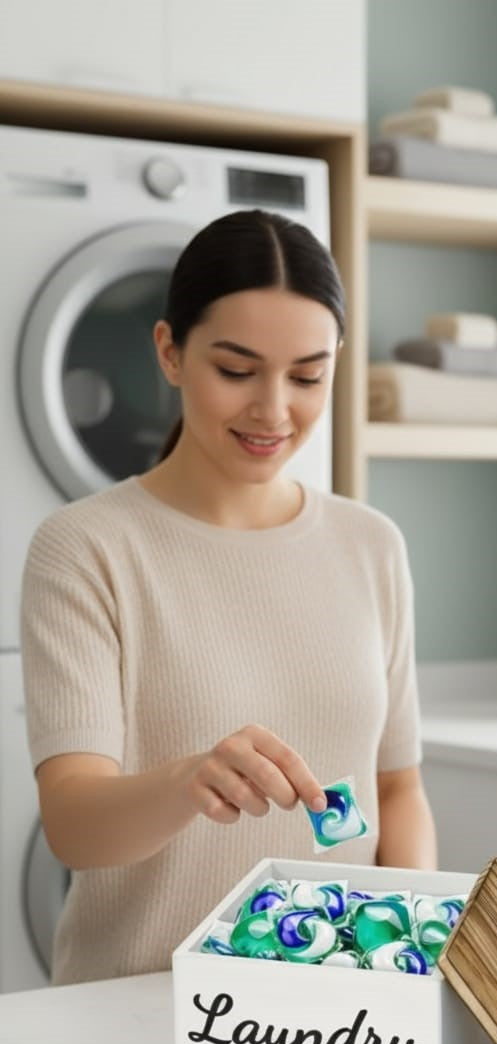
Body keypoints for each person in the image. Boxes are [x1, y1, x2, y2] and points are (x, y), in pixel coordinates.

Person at [21, 208, 437, 986]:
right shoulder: (86, 548)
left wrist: (409, 958)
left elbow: (396, 788)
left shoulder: (371, 545)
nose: (274, 410)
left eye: (308, 375)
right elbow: (73, 822)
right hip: (137, 1009)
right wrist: (188, 781)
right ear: (170, 353)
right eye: (237, 370)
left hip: (338, 1019)